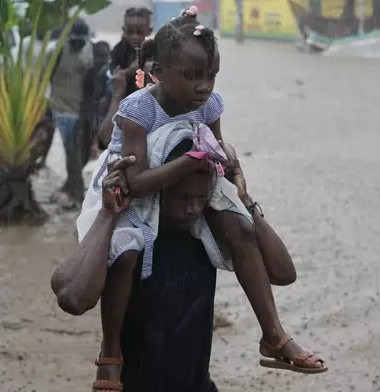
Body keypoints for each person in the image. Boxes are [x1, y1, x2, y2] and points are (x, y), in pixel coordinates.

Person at [74, 5, 326, 389]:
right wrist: (191, 162)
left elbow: (216, 149)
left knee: (240, 229)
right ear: (158, 72)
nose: (203, 86)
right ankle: (110, 353)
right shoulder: (139, 108)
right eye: (192, 76)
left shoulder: (208, 103)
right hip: (135, 187)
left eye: (210, 75)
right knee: (124, 255)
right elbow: (137, 182)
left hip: (191, 178)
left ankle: (273, 334)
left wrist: (231, 171)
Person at [52, 141, 300, 391]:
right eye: (183, 198)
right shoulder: (131, 239)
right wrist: (107, 213)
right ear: (158, 191)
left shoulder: (207, 231)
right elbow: (73, 298)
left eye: (201, 197)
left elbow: (283, 273)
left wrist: (243, 199)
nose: (193, 208)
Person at [96, 7, 154, 150]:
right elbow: (114, 74)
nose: (135, 37)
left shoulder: (155, 50)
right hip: (122, 96)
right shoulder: (119, 50)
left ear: (149, 31)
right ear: (123, 30)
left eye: (140, 32)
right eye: (130, 32)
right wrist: (129, 71)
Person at [49, 18, 94, 201]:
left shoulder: (89, 52)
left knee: (81, 152)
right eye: (74, 39)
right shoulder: (56, 51)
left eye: (81, 40)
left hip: (81, 110)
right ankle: (77, 193)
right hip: (61, 110)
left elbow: (91, 82)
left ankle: (71, 183)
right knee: (72, 151)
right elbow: (46, 77)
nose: (78, 43)